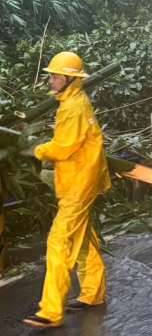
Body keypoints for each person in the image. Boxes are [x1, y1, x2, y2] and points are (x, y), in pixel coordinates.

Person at [23, 52, 111, 328]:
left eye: (56, 76)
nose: (52, 80)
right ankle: (92, 293)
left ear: (70, 79)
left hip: (78, 184)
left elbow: (63, 148)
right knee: (84, 239)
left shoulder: (73, 107)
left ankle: (51, 312)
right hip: (81, 179)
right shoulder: (73, 102)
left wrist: (34, 149)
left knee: (58, 242)